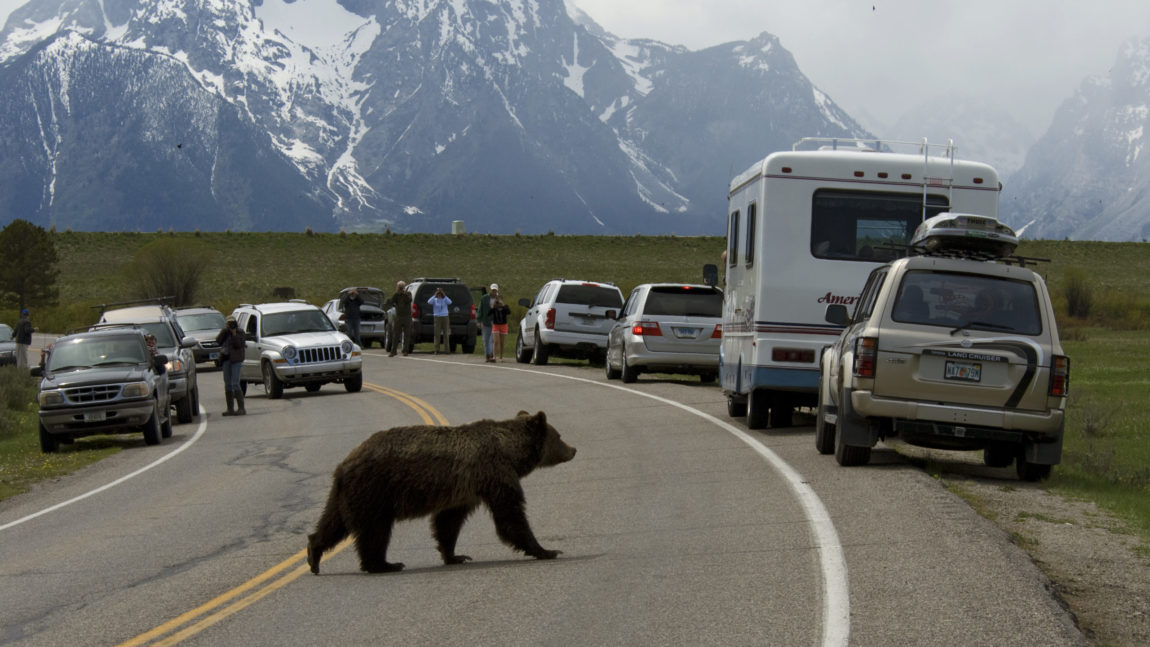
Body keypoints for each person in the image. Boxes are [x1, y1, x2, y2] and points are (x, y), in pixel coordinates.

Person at [215, 315, 247, 416]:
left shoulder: (240, 332)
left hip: (236, 360)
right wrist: (224, 331)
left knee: (235, 383)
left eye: (232, 323)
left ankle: (241, 408)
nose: (231, 325)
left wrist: (234, 334)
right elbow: (218, 341)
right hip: (226, 359)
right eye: (229, 323)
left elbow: (239, 345)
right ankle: (230, 409)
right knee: (228, 384)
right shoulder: (225, 332)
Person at [385, 281, 413, 356]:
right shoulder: (396, 295)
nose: (401, 288)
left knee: (407, 334)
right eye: (399, 287)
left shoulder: (408, 293)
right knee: (396, 334)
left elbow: (409, 300)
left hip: (407, 316)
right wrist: (397, 293)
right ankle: (393, 351)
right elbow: (391, 302)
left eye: (402, 286)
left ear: (404, 287)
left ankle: (405, 350)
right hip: (399, 317)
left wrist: (404, 293)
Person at [427, 288, 452, 354]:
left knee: (446, 333)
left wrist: (444, 295)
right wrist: (434, 295)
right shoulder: (434, 300)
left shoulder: (445, 299)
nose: (439, 295)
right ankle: (437, 349)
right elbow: (429, 302)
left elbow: (450, 302)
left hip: (445, 316)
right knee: (437, 333)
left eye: (440, 294)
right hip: (437, 317)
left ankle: (447, 350)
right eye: (438, 294)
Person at [477, 284, 497, 362]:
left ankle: (491, 355)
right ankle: (487, 355)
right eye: (493, 290)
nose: (494, 292)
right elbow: (480, 309)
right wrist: (479, 321)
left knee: (492, 339)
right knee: (486, 339)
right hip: (486, 321)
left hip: (495, 322)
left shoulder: (498, 298)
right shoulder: (484, 298)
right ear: (490, 290)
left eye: (495, 290)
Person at [490, 292, 511, 362]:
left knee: (502, 342)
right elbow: (489, 313)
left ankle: (501, 357)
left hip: (503, 325)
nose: (498, 300)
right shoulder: (494, 307)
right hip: (496, 325)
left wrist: (503, 304)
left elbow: (508, 312)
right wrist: (493, 305)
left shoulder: (505, 307)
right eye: (497, 299)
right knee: (496, 341)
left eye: (499, 299)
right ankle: (494, 356)